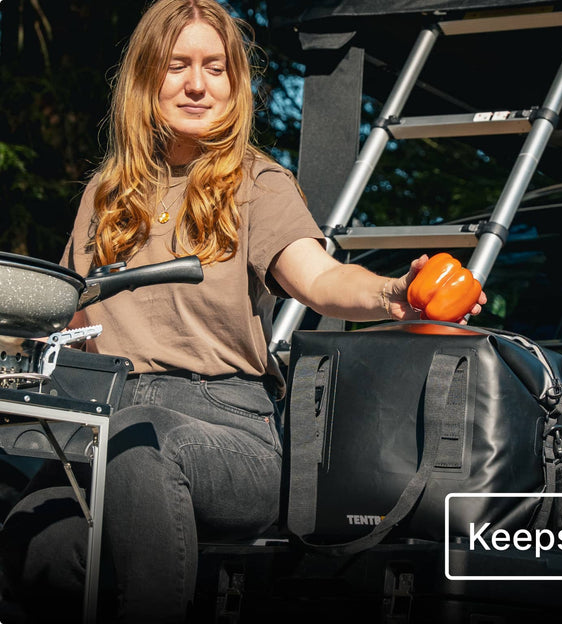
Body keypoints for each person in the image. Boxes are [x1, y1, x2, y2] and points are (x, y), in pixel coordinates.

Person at [0, 0, 486, 622]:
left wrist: (392, 293)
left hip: (227, 431)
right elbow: (68, 323)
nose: (197, 85)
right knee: (34, 538)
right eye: (177, 67)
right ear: (146, 80)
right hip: (104, 427)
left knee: (139, 447)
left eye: (215, 68)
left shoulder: (256, 182)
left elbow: (320, 278)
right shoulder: (105, 194)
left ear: (236, 84)